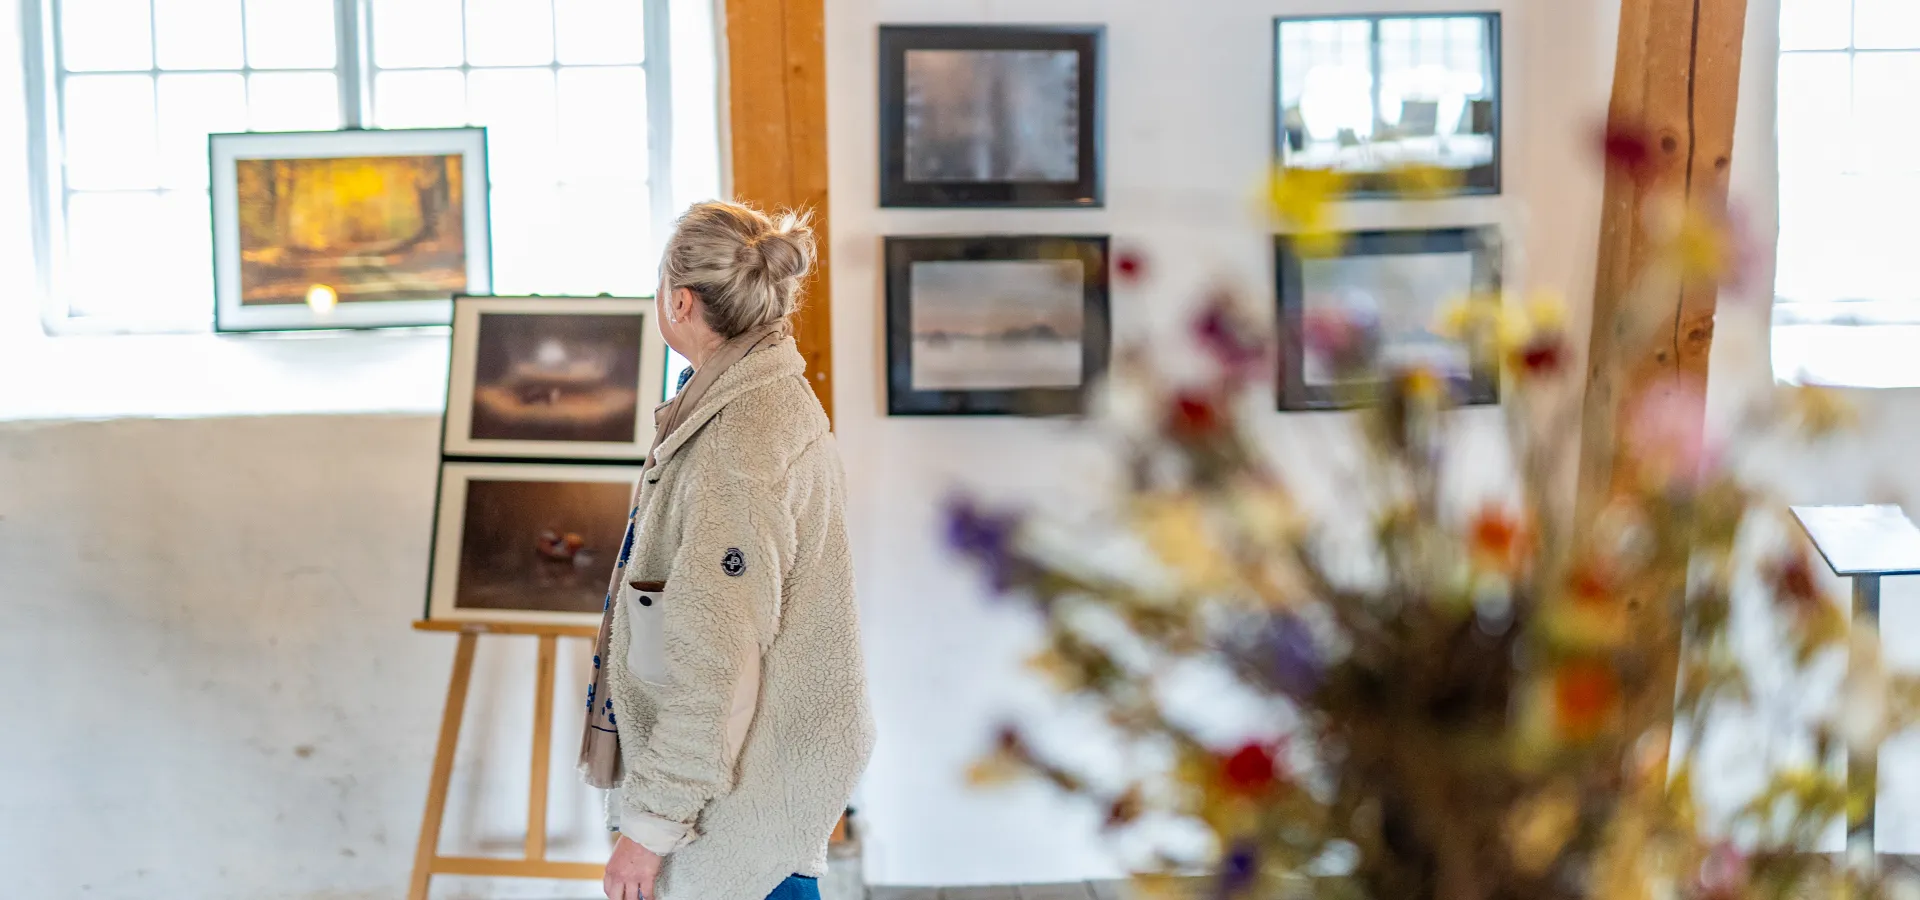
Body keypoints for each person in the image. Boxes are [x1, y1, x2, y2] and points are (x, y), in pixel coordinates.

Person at [578, 201, 874, 900]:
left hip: (742, 818)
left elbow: (718, 658)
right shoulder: (744, 402)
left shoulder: (739, 441)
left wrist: (647, 832)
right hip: (751, 795)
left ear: (680, 302)